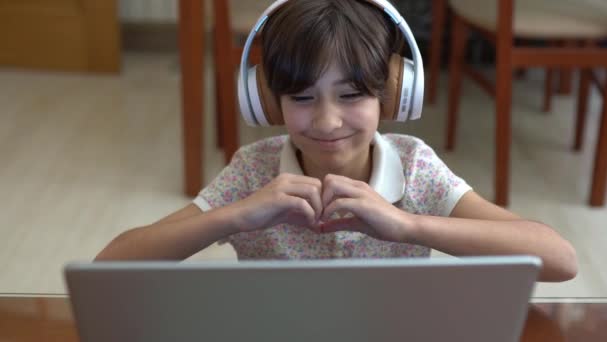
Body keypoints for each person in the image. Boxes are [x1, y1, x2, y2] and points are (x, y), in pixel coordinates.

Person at [96, 0, 577, 282]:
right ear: (266, 100)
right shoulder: (252, 171)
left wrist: (408, 226)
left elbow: (559, 259)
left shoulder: (415, 167)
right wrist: (238, 213)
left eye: (351, 95)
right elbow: (109, 265)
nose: (327, 122)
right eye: (302, 97)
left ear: (392, 92)